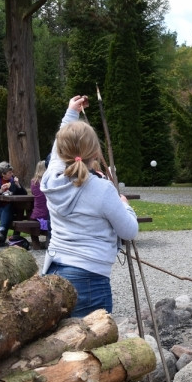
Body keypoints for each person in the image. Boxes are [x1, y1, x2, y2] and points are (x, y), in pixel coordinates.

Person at [41, 95, 139, 318]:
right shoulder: (103, 189)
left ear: (62, 152)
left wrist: (71, 113)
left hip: (53, 272)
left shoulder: (51, 179)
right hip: (89, 280)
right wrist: (125, 206)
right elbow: (129, 231)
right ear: (95, 153)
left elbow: (58, 149)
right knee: (90, 340)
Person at [0, 161, 27, 245]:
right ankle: (1, 232)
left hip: (10, 210)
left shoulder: (13, 180)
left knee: (8, 207)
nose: (12, 174)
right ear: (3, 174)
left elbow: (24, 194)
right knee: (7, 211)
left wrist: (18, 185)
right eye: (9, 173)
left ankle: (1, 234)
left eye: (12, 172)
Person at [30, 160, 50, 238]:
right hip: (47, 213)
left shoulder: (33, 182)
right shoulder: (49, 181)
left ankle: (35, 241)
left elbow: (33, 192)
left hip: (36, 214)